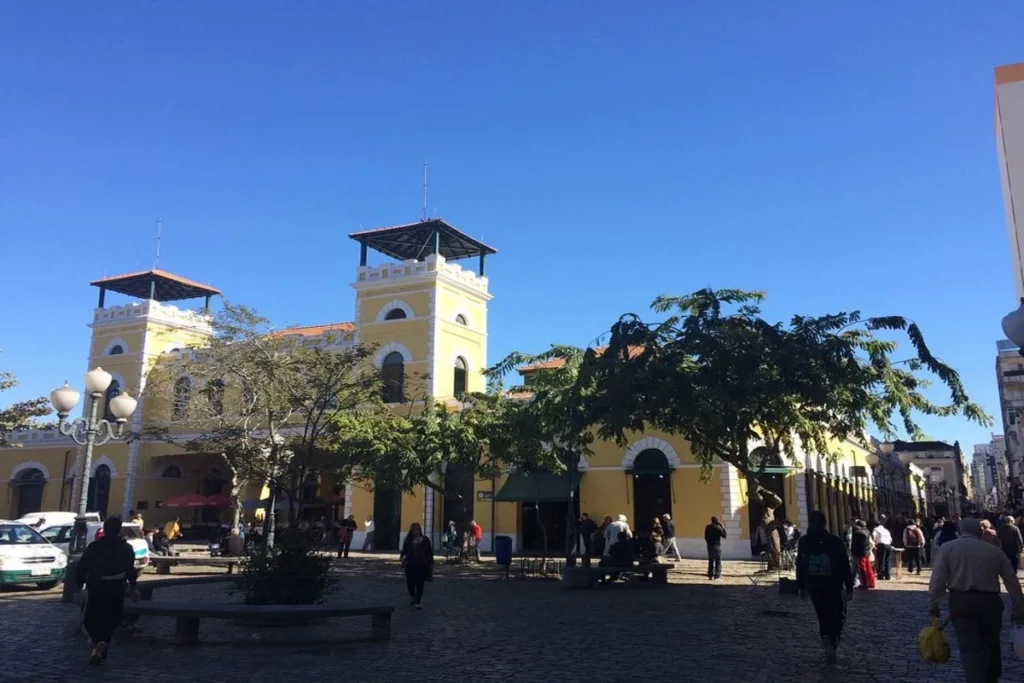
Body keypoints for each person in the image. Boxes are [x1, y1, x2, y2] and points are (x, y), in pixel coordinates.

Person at [928, 517, 1024, 682]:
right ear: (979, 531)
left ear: (961, 530)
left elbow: (938, 579)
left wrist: (934, 603)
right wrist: (1019, 605)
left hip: (961, 602)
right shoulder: (994, 551)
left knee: (969, 647)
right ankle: (991, 677)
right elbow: (1011, 580)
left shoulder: (948, 548)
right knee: (992, 643)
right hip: (990, 602)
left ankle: (975, 679)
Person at [75, 516, 140, 665]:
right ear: (119, 530)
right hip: (117, 587)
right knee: (111, 619)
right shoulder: (126, 548)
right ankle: (103, 645)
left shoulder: (95, 547)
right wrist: (133, 586)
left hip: (97, 586)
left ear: (104, 528)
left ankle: (97, 642)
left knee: (91, 618)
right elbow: (131, 569)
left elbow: (82, 567)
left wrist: (79, 583)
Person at [797, 510, 854, 668]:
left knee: (822, 614)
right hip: (834, 584)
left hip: (814, 584)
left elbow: (800, 565)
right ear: (825, 523)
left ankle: (825, 636)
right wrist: (849, 585)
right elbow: (844, 564)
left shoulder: (804, 541)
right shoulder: (834, 541)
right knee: (839, 614)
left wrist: (801, 586)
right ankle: (832, 640)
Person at [399, 522, 433, 608]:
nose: (416, 531)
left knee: (420, 584)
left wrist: (431, 563)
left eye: (417, 529)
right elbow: (404, 551)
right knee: (410, 583)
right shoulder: (408, 540)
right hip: (410, 565)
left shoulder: (425, 540)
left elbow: (429, 552)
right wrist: (402, 557)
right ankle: (413, 596)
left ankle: (418, 601)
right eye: (414, 530)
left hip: (422, 565)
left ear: (420, 530)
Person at [850, 520, 875, 589]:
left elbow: (854, 544)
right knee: (868, 568)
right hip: (866, 552)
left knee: (862, 569)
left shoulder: (857, 533)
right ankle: (871, 582)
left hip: (859, 553)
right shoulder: (867, 531)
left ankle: (864, 584)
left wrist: (853, 552)